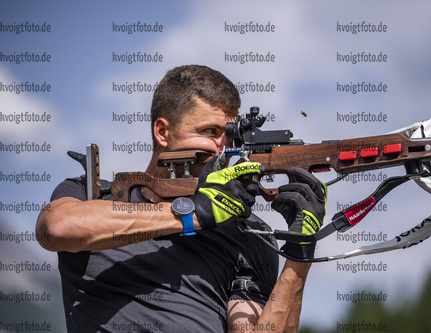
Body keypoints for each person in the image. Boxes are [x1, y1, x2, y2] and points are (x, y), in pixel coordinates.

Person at [36, 65, 326, 332]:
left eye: (230, 138)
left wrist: (299, 256)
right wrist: (195, 213)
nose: (222, 150)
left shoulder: (246, 233)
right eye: (210, 132)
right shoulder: (93, 195)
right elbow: (56, 228)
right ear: (163, 131)